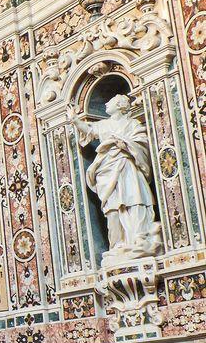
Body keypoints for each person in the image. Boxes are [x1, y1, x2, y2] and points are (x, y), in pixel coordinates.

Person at [69, 95, 162, 265]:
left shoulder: (132, 124)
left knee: (135, 200)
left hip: (128, 168)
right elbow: (89, 130)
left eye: (110, 101)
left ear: (120, 105)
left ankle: (140, 239)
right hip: (107, 170)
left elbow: (142, 144)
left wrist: (124, 143)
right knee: (112, 207)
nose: (105, 102)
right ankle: (118, 245)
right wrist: (74, 120)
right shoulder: (104, 125)